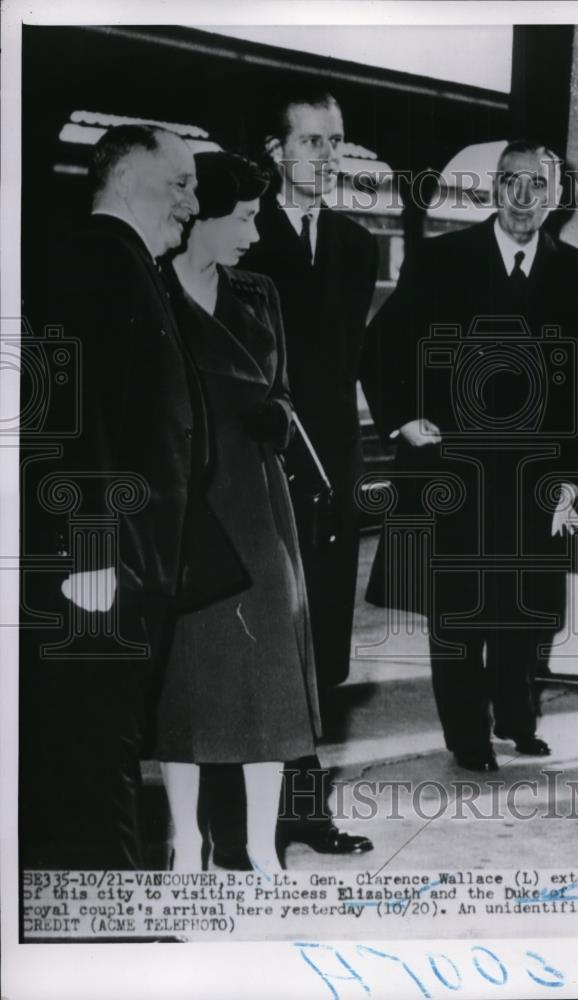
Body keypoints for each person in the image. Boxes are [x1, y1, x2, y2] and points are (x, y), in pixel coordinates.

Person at [19, 125, 247, 869]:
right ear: (123, 180)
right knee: (97, 738)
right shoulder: (93, 258)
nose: (192, 201)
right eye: (178, 183)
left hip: (131, 555)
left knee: (104, 733)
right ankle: (110, 920)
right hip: (100, 559)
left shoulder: (128, 263)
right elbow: (68, 412)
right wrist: (88, 548)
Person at [363, 140, 578, 772]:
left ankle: (517, 718)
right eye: (510, 182)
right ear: (493, 189)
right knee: (458, 609)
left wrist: (572, 483)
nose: (523, 198)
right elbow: (379, 345)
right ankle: (467, 736)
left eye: (537, 185)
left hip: (535, 474)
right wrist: (401, 420)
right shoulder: (442, 259)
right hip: (455, 468)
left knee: (525, 606)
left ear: (555, 197)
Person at [154, 151, 322, 872]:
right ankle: (185, 842)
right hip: (185, 499)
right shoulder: (151, 291)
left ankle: (259, 846)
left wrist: (277, 418)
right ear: (204, 215)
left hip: (256, 501)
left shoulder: (259, 291)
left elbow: (284, 389)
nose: (256, 232)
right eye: (246, 217)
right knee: (185, 684)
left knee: (269, 679)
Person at [227, 88, 376, 857]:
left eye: (336, 141)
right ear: (275, 150)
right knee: (259, 643)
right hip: (261, 463)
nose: (326, 155)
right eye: (312, 141)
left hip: (333, 469)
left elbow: (357, 356)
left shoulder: (357, 244)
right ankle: (243, 822)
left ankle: (305, 814)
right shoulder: (241, 236)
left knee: (325, 643)